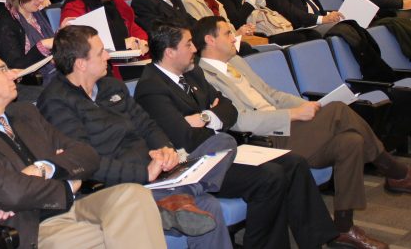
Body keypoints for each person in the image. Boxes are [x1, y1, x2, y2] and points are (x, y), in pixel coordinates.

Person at [194, 15, 411, 249]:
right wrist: (293, 115)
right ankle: (396, 172)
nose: (235, 37)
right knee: (338, 110)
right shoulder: (204, 76)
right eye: (227, 33)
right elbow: (240, 121)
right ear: (210, 40)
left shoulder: (236, 61)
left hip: (288, 126)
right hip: (266, 138)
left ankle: (344, 228)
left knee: (350, 142)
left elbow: (272, 95)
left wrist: (306, 106)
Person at [135, 22, 340, 249]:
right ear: (170, 52)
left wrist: (205, 117)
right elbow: (186, 139)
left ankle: (316, 241)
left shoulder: (192, 73)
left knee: (294, 162)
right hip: (194, 162)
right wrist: (215, 117)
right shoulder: (151, 88)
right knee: (270, 177)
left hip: (222, 148)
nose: (194, 48)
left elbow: (229, 109)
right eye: (188, 44)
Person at [0, 46, 167, 249]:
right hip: (31, 225)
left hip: (76, 206)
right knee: (119, 232)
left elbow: (86, 155)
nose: (13, 74)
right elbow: (11, 192)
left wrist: (44, 168)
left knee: (133, 195)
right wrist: (68, 185)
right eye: (2, 70)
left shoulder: (26, 113)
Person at [38, 25, 237, 248]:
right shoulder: (56, 102)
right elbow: (83, 161)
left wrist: (165, 149)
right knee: (208, 205)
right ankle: (174, 196)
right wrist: (144, 173)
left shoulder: (111, 86)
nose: (108, 56)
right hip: (118, 187)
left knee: (224, 142)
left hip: (156, 174)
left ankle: (178, 193)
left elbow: (147, 125)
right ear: (81, 64)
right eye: (101, 52)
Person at [60, 0, 148, 76]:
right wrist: (121, 45)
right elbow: (81, 49)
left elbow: (133, 27)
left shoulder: (114, 1)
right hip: (101, 71)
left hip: (128, 62)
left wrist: (142, 42)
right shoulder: (74, 10)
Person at [0, 0, 58, 84]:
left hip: (53, 76)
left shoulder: (38, 14)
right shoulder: (5, 24)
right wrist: (42, 46)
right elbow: (16, 68)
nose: (41, 0)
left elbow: (53, 51)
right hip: (30, 85)